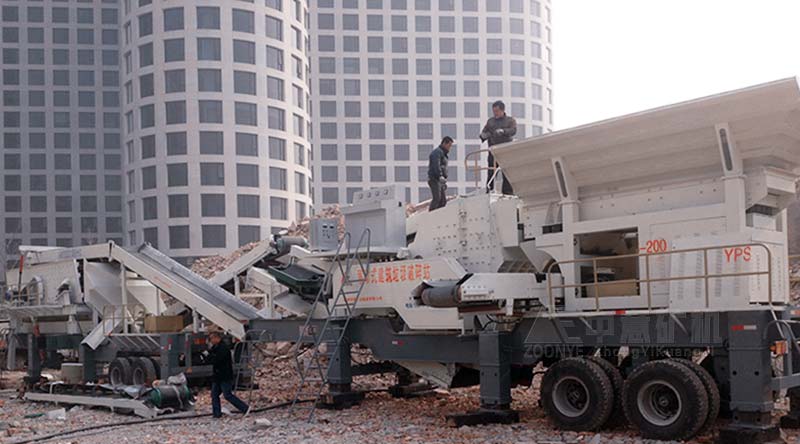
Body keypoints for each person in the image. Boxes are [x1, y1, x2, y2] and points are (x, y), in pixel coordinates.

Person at [207, 331, 250, 418]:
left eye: (211, 339)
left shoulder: (223, 348)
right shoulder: (215, 348)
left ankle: (244, 408)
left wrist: (210, 356)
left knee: (227, 395)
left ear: (217, 338)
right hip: (217, 376)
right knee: (214, 395)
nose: (211, 341)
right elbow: (211, 359)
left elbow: (216, 360)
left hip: (224, 375)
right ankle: (216, 414)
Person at [479, 101, 517, 195]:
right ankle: (489, 189)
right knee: (491, 171)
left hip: (505, 151)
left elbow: (513, 130)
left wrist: (503, 131)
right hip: (493, 151)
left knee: (506, 171)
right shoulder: (490, 121)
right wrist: (483, 135)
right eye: (494, 111)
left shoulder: (510, 120)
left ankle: (508, 192)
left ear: (502, 110)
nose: (495, 113)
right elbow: (484, 131)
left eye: (497, 111)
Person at [427, 137, 453, 211]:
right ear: (444, 143)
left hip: (440, 180)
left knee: (443, 201)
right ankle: (431, 215)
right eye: (449, 145)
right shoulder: (437, 152)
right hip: (435, 179)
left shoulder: (443, 154)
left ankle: (438, 214)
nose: (450, 148)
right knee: (437, 199)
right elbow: (436, 164)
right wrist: (440, 176)